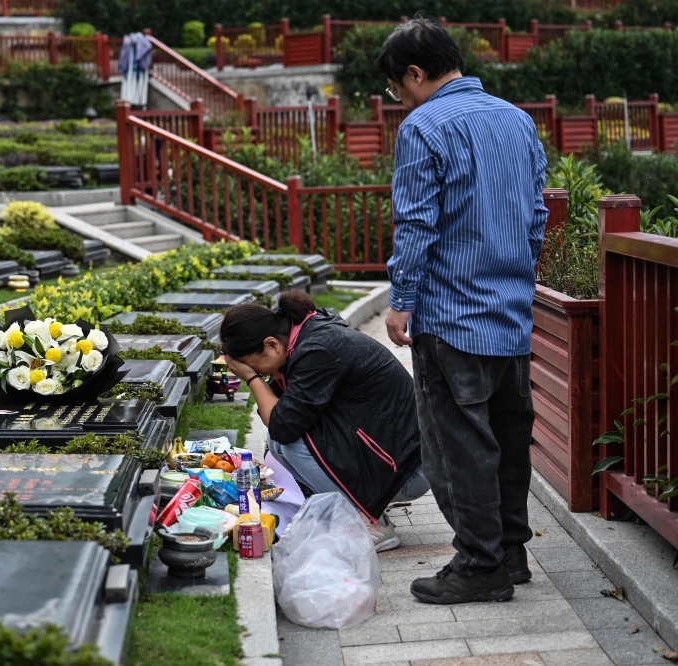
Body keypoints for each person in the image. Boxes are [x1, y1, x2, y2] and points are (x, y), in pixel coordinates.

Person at [377, 16, 548, 604]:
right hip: (511, 315)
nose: (399, 101)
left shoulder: (424, 126)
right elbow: (536, 216)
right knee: (506, 435)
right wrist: (517, 281)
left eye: (397, 89)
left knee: (458, 447)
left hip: (452, 316)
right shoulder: (517, 119)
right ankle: (510, 553)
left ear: (416, 74)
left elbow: (418, 222)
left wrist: (402, 303)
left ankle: (479, 565)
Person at [221, 290, 428, 552]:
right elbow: (281, 416)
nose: (262, 374)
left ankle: (371, 525)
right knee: (281, 441)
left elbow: (283, 426)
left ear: (272, 344)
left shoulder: (317, 350)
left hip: (409, 473)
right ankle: (356, 512)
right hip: (393, 462)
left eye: (256, 366)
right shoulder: (306, 338)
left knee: (291, 441)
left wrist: (251, 380)